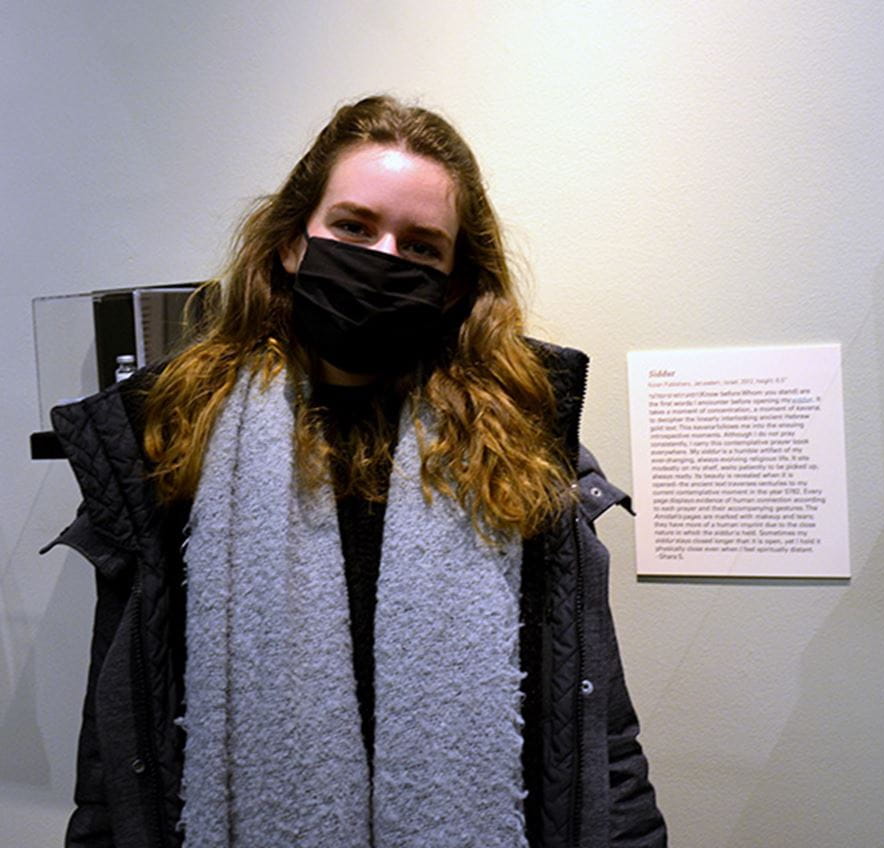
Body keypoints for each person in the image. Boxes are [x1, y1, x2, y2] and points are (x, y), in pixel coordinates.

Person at [47, 95, 665, 848]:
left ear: (456, 281)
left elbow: (600, 733)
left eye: (421, 247)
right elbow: (117, 746)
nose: (382, 260)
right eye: (353, 227)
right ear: (291, 241)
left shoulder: (521, 448)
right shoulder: (175, 443)